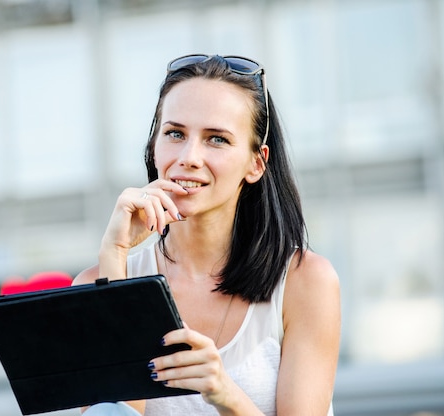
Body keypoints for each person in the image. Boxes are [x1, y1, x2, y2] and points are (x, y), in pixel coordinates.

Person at [74, 54, 341, 415]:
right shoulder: (99, 283)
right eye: (174, 133)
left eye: (216, 139)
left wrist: (224, 392)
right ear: (154, 147)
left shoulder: (304, 282)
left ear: (256, 163)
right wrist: (114, 254)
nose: (189, 156)